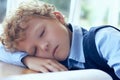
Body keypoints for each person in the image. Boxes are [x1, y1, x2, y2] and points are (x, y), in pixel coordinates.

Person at [0, 0, 120, 80]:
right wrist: (27, 59)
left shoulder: (104, 39)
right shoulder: (52, 61)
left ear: (58, 18)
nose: (43, 47)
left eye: (42, 33)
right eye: (34, 50)